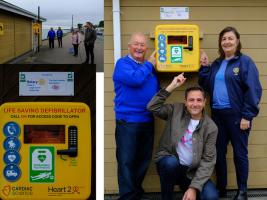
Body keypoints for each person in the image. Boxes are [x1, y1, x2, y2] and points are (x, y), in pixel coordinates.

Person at [199, 26, 262, 200]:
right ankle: (221, 188)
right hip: (218, 115)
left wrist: (247, 115)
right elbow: (205, 86)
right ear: (220, 43)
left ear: (237, 41)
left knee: (240, 154)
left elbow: (253, 90)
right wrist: (204, 67)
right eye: (223, 39)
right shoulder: (217, 64)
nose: (226, 41)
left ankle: (242, 191)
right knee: (218, 153)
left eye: (230, 38)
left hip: (238, 116)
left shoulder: (245, 62)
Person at [147, 73, 218, 200]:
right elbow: (152, 106)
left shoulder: (211, 127)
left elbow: (208, 161)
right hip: (171, 166)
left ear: (204, 102)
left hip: (192, 173)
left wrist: (194, 188)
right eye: (191, 100)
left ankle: (188, 190)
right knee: (170, 163)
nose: (195, 104)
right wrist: (172, 86)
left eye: (199, 100)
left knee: (211, 196)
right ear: (185, 102)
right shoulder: (175, 110)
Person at [113, 32, 160, 200]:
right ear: (129, 46)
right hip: (128, 122)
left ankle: (136, 193)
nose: (139, 48)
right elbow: (136, 79)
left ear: (146, 48)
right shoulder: (122, 64)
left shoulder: (150, 68)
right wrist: (149, 64)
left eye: (142, 45)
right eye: (136, 44)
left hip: (147, 120)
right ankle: (127, 196)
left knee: (142, 160)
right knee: (127, 162)